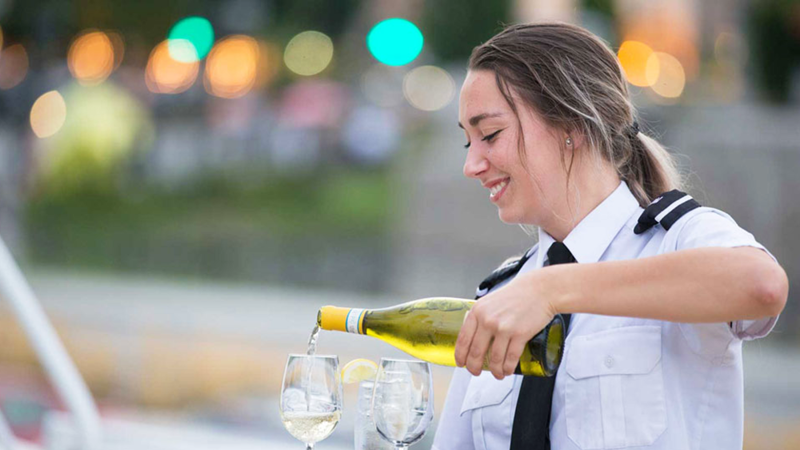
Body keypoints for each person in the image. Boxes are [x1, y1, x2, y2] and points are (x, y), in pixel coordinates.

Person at [432, 22, 789, 450]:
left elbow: (762, 286)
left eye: (490, 134)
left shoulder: (678, 238)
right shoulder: (502, 296)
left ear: (573, 125)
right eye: (467, 143)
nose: (472, 165)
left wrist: (551, 290)